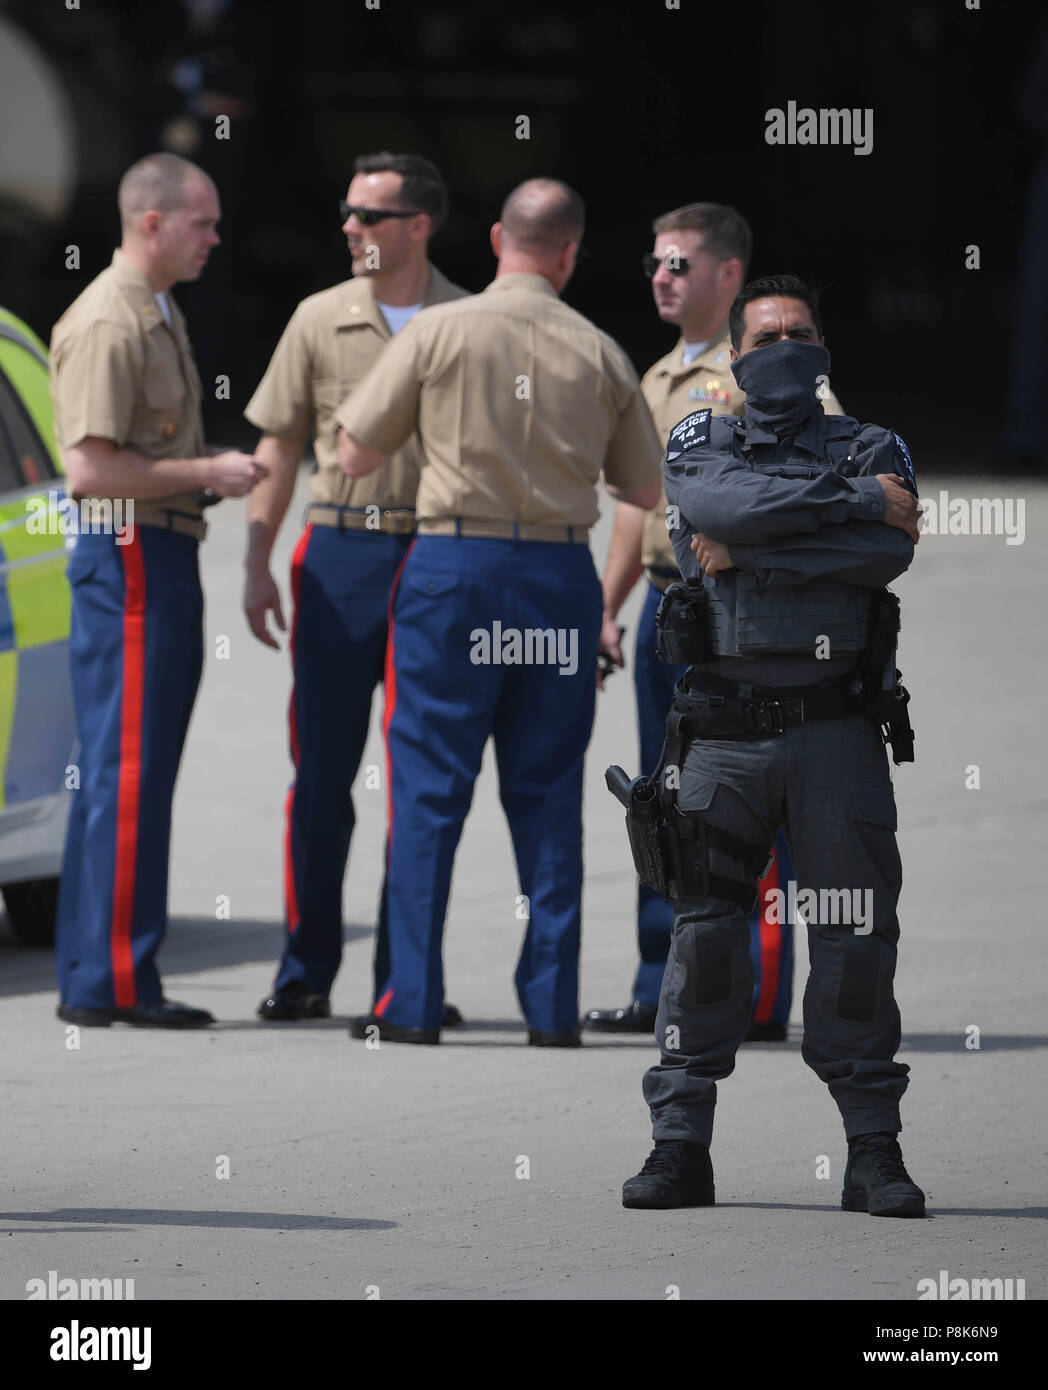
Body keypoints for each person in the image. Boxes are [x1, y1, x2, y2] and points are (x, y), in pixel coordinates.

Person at [621, 274, 926, 1217]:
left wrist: (758, 544)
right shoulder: (701, 438)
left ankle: (873, 1152)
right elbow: (725, 514)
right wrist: (848, 508)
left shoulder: (876, 444)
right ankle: (680, 1147)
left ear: (822, 347)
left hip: (837, 737)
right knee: (706, 942)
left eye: (799, 331)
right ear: (736, 353)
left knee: (853, 943)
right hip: (723, 738)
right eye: (765, 334)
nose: (782, 345)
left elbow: (888, 554)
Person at [334, 178, 662, 1045]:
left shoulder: (440, 330)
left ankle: (407, 1005)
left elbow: (354, 451)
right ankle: (551, 1010)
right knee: (549, 793)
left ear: (493, 240)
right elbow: (643, 486)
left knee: (427, 795)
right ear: (569, 253)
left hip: (453, 568)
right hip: (557, 575)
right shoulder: (600, 350)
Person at [587, 206, 843, 1041]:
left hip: (747, 612)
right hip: (674, 606)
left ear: (728, 276)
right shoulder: (658, 378)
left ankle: (760, 995)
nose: (661, 276)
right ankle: (663, 983)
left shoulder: (773, 371)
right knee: (667, 798)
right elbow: (638, 503)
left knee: (756, 795)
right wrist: (608, 607)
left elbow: (820, 476)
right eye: (655, 263)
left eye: (679, 264)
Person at [243, 153, 469, 1023]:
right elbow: (276, 447)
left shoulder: (470, 319)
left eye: (369, 216)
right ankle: (305, 971)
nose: (349, 228)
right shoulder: (315, 318)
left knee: (421, 780)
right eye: (346, 212)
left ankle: (406, 984)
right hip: (337, 555)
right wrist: (257, 559)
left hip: (437, 558)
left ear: (420, 225)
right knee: (322, 771)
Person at [51, 152, 266, 1028]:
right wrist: (207, 467)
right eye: (201, 223)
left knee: (128, 768)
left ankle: (102, 974)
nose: (214, 238)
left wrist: (197, 477)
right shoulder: (113, 318)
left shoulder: (152, 308)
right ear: (152, 222)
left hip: (156, 549)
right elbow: (90, 470)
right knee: (129, 770)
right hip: (134, 549)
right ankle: (114, 983)